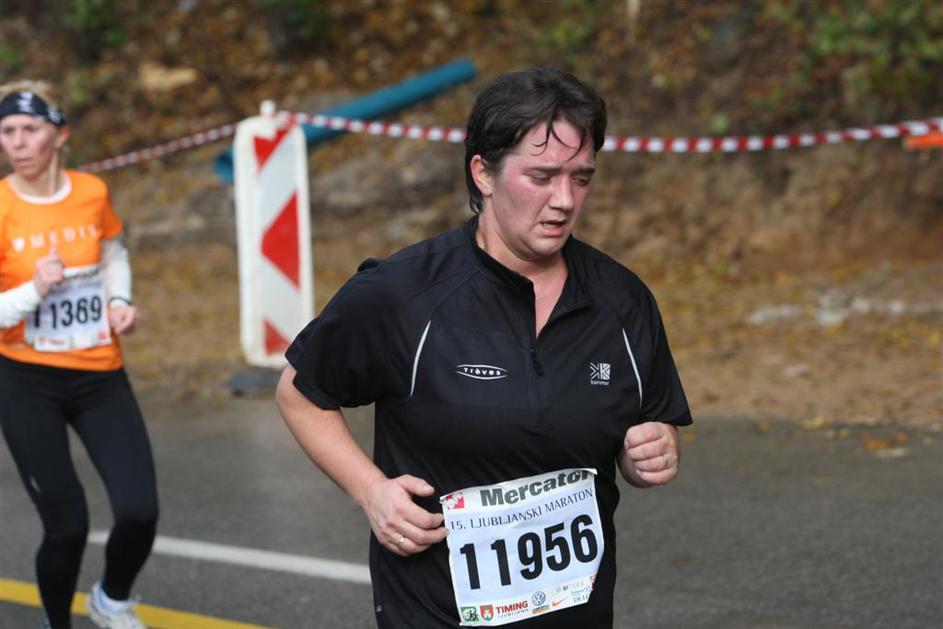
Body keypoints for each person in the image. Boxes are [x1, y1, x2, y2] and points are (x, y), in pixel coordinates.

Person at [276, 67, 691, 628]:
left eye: (581, 178)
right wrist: (370, 491)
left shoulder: (622, 300)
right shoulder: (404, 293)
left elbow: (645, 432)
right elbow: (300, 393)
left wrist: (651, 453)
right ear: (483, 173)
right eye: (541, 176)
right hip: (435, 613)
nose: (565, 200)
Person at [0, 80, 157, 629]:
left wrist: (119, 301)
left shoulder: (91, 192)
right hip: (25, 382)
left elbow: (112, 252)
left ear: (60, 134)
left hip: (99, 375)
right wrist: (33, 291)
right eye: (7, 131)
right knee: (67, 526)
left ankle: (111, 599)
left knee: (139, 510)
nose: (18, 143)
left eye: (30, 129)